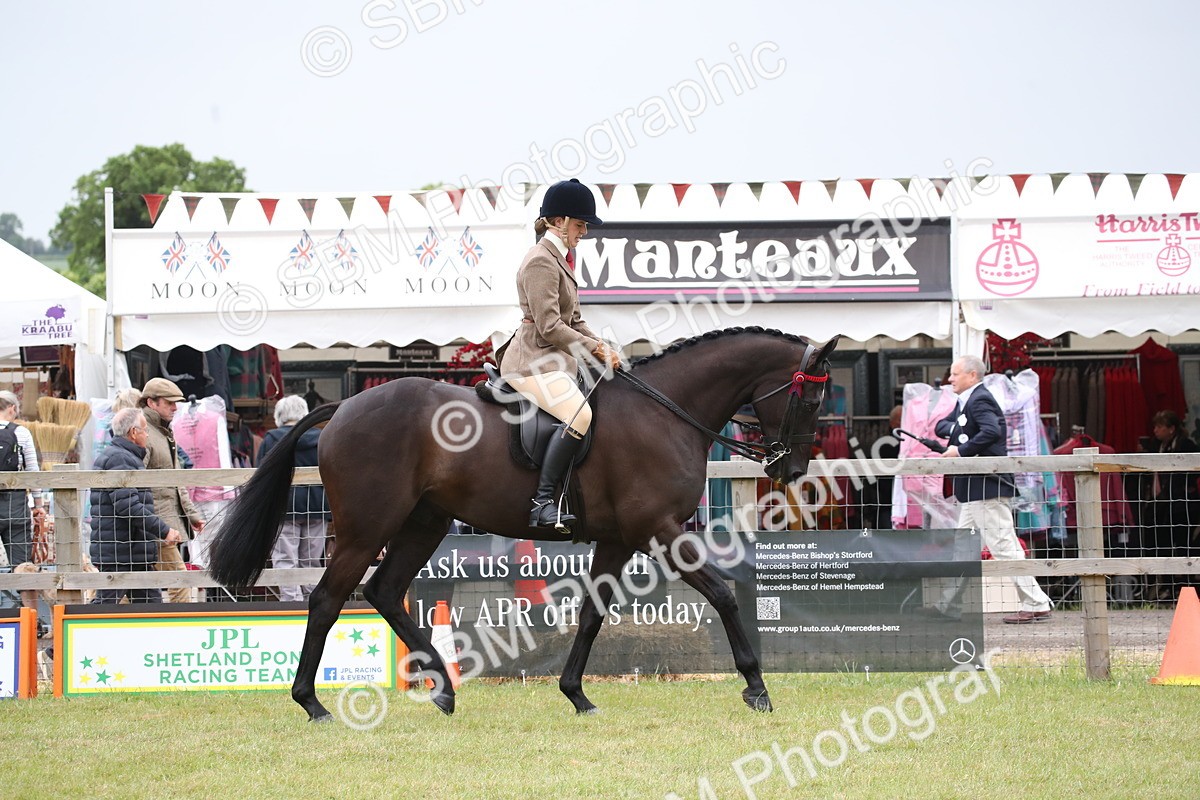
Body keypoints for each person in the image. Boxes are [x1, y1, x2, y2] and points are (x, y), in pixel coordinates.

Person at [499, 179, 621, 534]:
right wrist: (595, 349)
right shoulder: (540, 261)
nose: (584, 232)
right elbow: (550, 326)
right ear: (558, 221)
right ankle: (542, 503)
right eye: (581, 225)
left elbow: (576, 320)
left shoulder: (564, 258)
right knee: (579, 415)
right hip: (530, 361)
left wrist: (604, 346)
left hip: (555, 361)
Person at [933, 355, 1053, 624]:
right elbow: (945, 425)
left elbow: (992, 431)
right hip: (976, 488)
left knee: (1003, 545)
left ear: (972, 375)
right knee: (964, 547)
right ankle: (948, 604)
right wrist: (959, 434)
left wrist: (960, 449)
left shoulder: (980, 399)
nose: (949, 379)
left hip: (986, 486)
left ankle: (1036, 602)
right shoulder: (970, 400)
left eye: (954, 374)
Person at [89, 408, 184, 603]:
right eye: (145, 429)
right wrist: (164, 531)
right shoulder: (121, 459)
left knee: (148, 606)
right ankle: (77, 630)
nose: (147, 434)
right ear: (133, 433)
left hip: (128, 550)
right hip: (121, 552)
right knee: (105, 606)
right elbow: (129, 507)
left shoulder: (122, 456)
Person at [139, 378, 205, 601]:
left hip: (162, 523)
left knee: (142, 585)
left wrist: (192, 514)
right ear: (152, 403)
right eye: (169, 403)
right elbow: (135, 484)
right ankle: (183, 628)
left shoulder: (163, 432)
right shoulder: (145, 434)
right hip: (157, 525)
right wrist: (154, 525)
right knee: (180, 580)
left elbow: (176, 480)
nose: (175, 408)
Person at [262, 395, 329, 602]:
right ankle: (313, 604)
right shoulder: (322, 438)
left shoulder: (271, 440)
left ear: (279, 416)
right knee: (311, 560)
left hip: (284, 508)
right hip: (317, 507)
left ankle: (291, 605)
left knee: (285, 560)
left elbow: (260, 478)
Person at [1145, 410, 1199, 600]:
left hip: (1183, 505)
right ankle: (1168, 586)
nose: (1156, 430)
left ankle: (1187, 586)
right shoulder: (1156, 446)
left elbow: (1192, 474)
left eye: (1160, 426)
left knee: (1184, 544)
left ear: (1172, 428)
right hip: (1161, 505)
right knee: (1163, 544)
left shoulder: (1187, 445)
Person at [0, 390, 45, 607]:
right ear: (12, 408)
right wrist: (38, 505)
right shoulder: (22, 433)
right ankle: (31, 620)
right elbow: (33, 472)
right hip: (15, 508)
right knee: (24, 567)